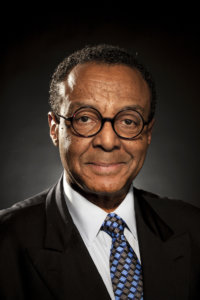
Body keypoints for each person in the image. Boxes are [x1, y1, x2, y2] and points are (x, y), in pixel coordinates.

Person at [0, 44, 200, 300]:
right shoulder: (5, 242)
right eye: (85, 118)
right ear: (54, 128)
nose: (107, 141)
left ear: (148, 133)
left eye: (128, 121)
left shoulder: (193, 229)